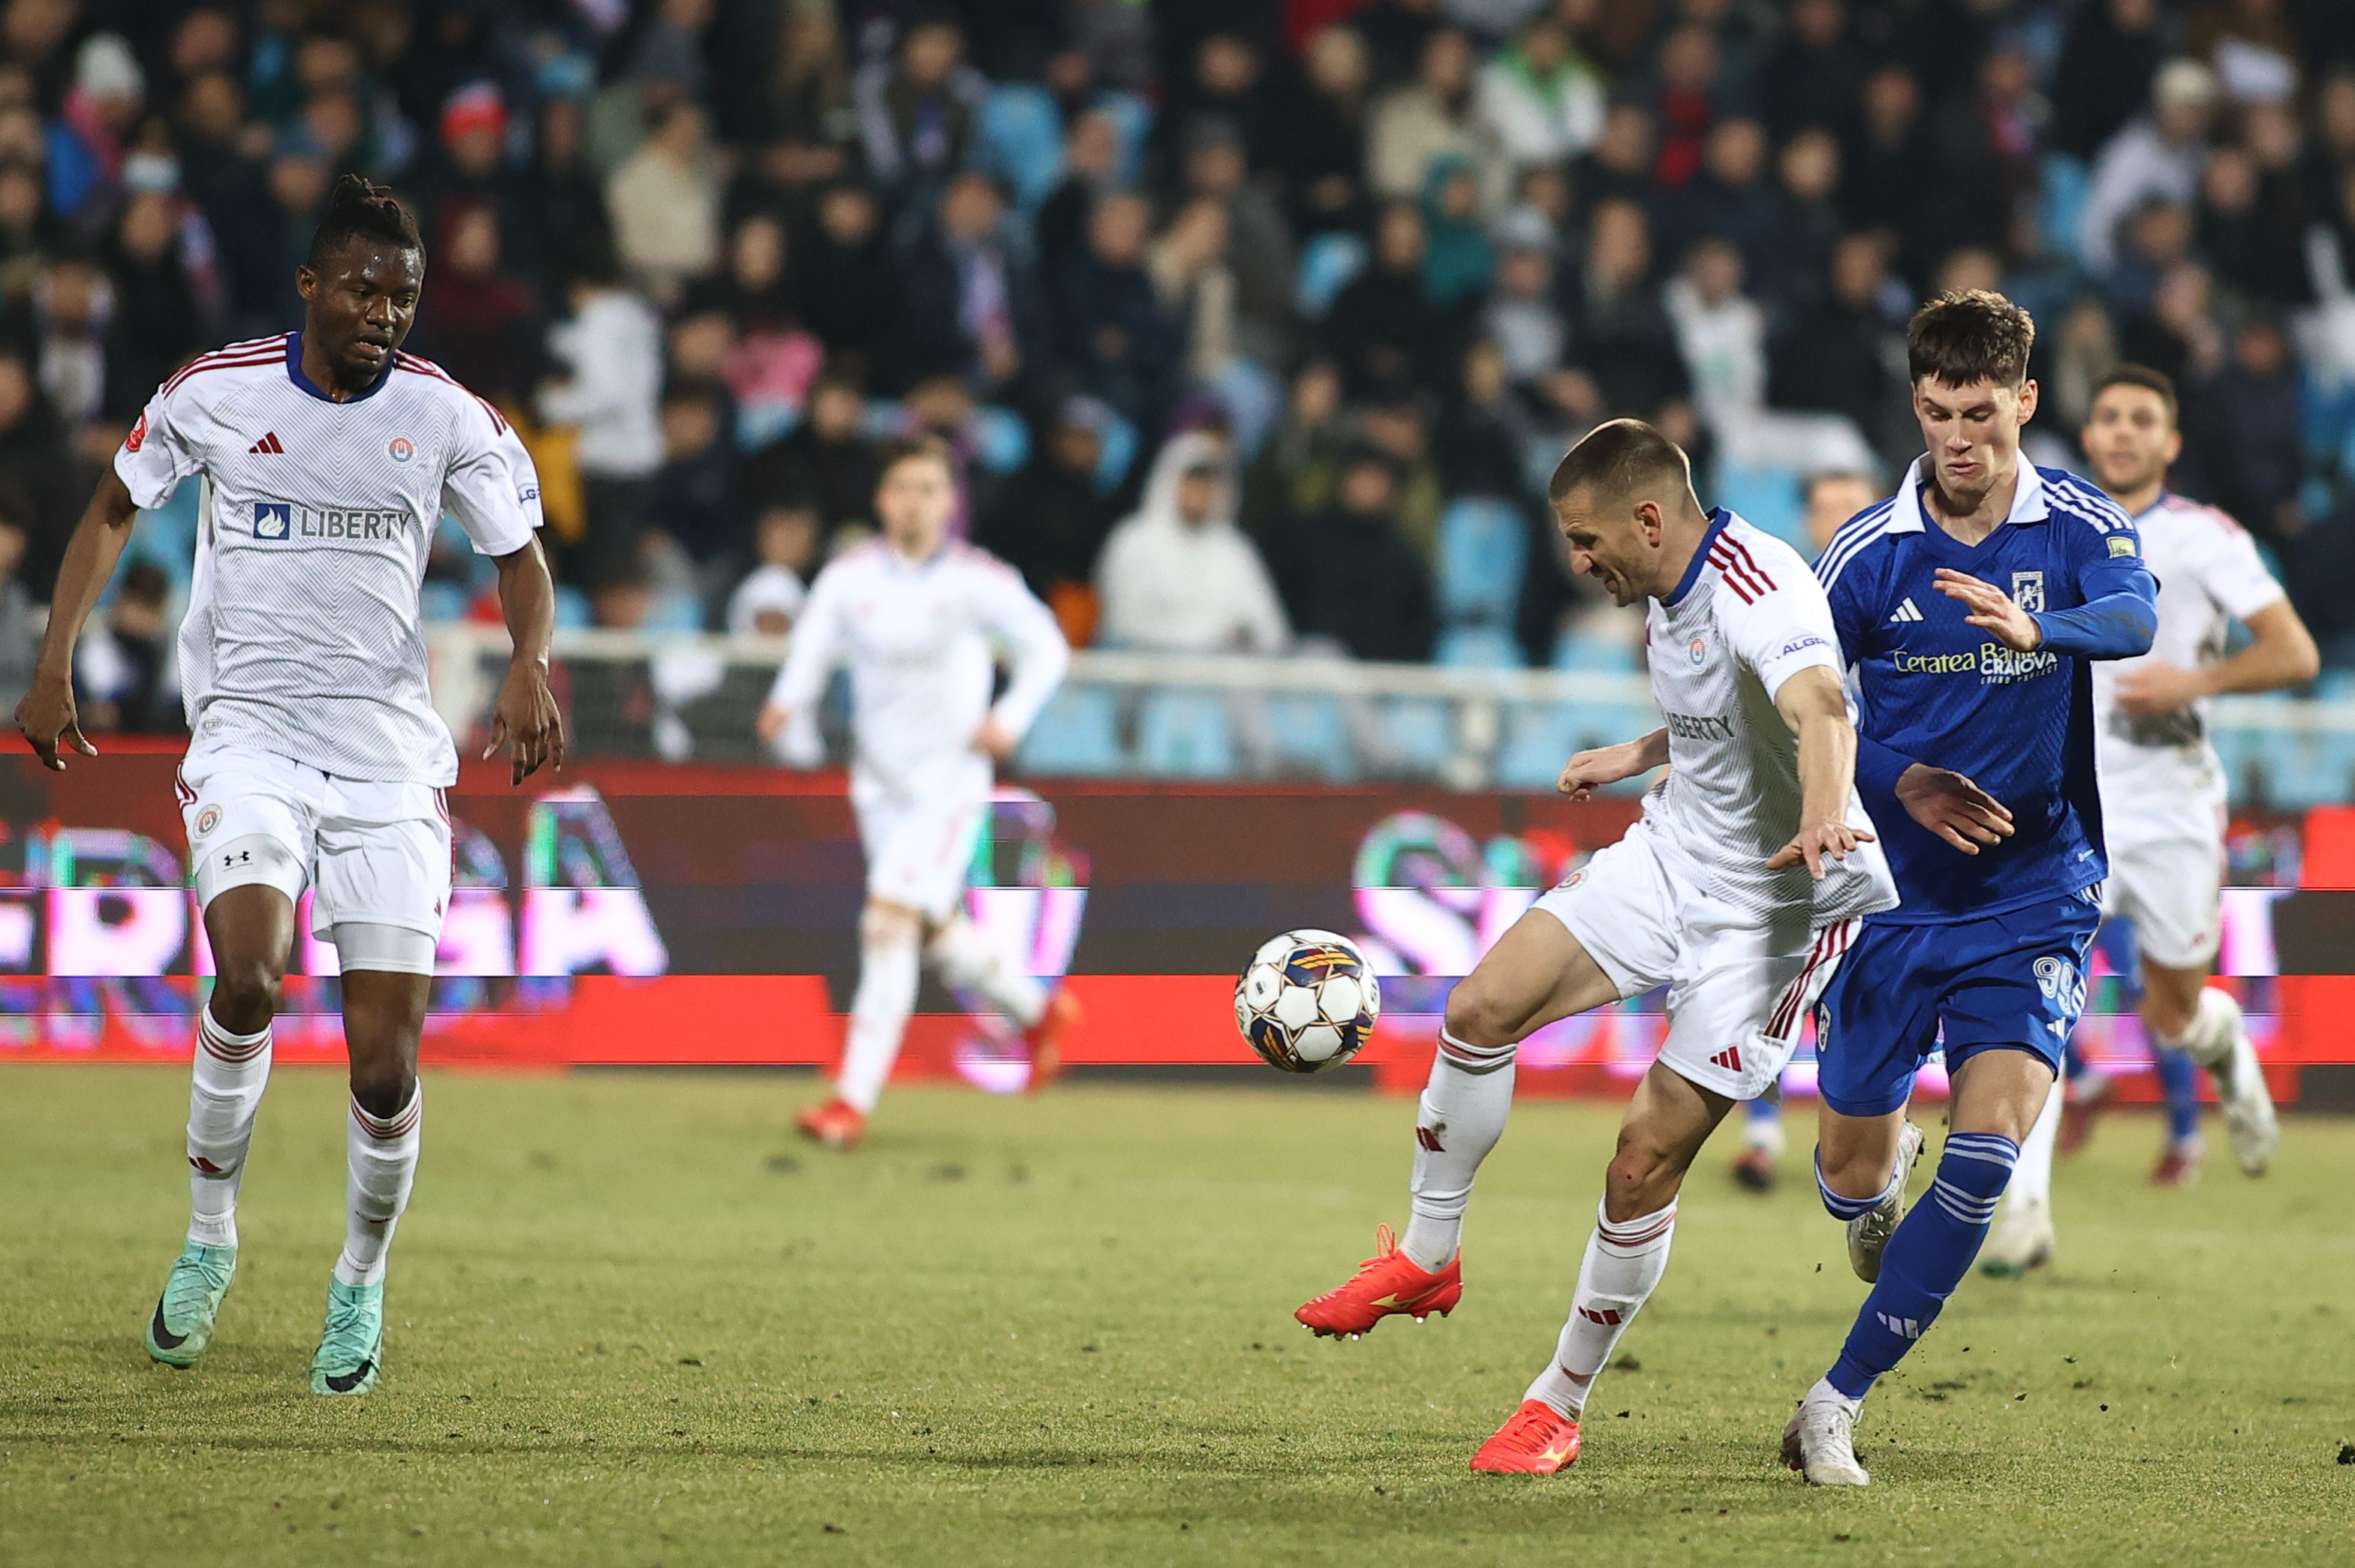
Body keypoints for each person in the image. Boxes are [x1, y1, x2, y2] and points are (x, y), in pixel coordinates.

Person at [16, 176, 563, 1396]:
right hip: (250, 735)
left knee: (386, 1066)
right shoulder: (215, 392)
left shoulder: (449, 417)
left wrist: (531, 663)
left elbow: (521, 557)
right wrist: (54, 659)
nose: (385, 312)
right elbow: (113, 507)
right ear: (312, 285)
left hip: (383, 757)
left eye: (405, 296)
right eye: (364, 288)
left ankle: (359, 1275)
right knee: (248, 973)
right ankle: (210, 1239)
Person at [1295, 419, 1895, 1474]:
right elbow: (1731, 703)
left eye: (1585, 541)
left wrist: (1821, 812)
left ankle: (1557, 1402)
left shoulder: (1766, 585)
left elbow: (1819, 706)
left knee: (1640, 1158)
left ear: (1648, 518)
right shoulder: (1669, 590)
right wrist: (1639, 751)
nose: (1578, 562)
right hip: (1671, 852)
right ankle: (1428, 1257)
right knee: (1479, 1009)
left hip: (1774, 908)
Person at [1786, 291, 2157, 1485]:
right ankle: (1867, 1192)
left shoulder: (2075, 522)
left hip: (2035, 889)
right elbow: (1799, 709)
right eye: (1940, 411)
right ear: (1916, 405)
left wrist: (2042, 633)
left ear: (2025, 403)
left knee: (1989, 1151)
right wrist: (1901, 784)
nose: (1961, 436)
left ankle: (1833, 1402)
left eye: (1983, 411)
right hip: (1893, 897)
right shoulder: (1864, 553)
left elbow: (2136, 616)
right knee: (1852, 1156)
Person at [1981, 366, 2314, 1274]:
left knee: (2170, 1011)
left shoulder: (2205, 539)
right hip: (2056, 800)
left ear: (2168, 443)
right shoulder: (2040, 523)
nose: (2122, 432)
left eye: (2142, 421)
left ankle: (2222, 1045)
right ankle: (2025, 1214)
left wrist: (2193, 680)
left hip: (2169, 801)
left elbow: (2294, 650)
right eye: (2109, 418)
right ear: (2086, 436)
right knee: (2031, 1002)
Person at [755, 437, 1075, 1150]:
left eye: (928, 488)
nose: (914, 500)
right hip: (879, 784)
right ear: (881, 499)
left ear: (949, 502)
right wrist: (787, 702)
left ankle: (850, 1100)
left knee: (887, 922)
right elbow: (812, 646)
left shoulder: (975, 578)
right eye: (902, 486)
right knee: (931, 929)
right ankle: (1037, 1010)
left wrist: (1008, 717)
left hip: (948, 781)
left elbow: (1047, 644)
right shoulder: (847, 578)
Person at [1095, 429, 1288, 655]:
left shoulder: (1234, 550)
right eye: (1191, 484)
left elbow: (1271, 629)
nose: (1199, 495)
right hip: (1146, 679)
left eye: (1207, 486)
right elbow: (1124, 622)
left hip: (1218, 680)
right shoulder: (1133, 541)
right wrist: (1210, 635)